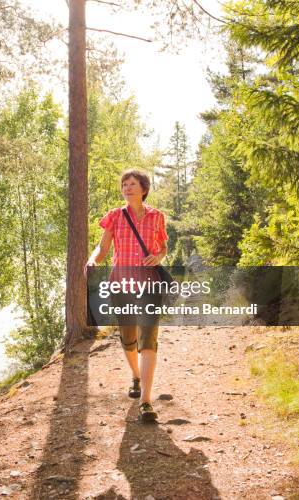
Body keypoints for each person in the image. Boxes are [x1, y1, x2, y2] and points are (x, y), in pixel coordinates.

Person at [86, 169, 168, 422]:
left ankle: (146, 400)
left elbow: (163, 245)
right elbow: (103, 246)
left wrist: (160, 256)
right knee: (129, 338)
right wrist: (92, 260)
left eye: (132, 184)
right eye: (124, 184)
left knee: (148, 339)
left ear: (143, 188)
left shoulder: (157, 217)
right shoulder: (114, 217)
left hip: (149, 285)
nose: (127, 188)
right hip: (121, 284)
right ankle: (135, 375)